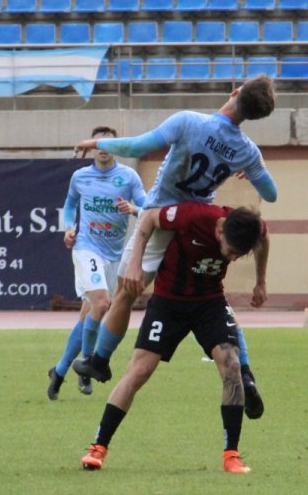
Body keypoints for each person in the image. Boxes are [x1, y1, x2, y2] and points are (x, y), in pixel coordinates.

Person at [72, 75, 278, 419]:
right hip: (202, 225)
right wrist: (249, 170)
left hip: (164, 217)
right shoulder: (247, 150)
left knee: (125, 292)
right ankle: (246, 372)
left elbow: (137, 148)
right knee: (214, 301)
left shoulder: (189, 121)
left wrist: (98, 144)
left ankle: (100, 361)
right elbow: (270, 194)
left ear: (235, 91)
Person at [80, 202, 269, 474]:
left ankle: (232, 456)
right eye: (231, 252)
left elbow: (265, 237)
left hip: (209, 302)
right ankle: (98, 448)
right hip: (169, 302)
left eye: (240, 255)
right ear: (219, 231)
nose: (234, 258)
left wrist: (260, 281)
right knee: (139, 371)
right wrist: (135, 265)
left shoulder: (250, 227)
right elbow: (148, 218)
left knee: (231, 366)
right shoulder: (193, 216)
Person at [48, 126, 146, 401]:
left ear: (116, 148)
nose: (103, 148)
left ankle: (60, 370)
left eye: (109, 144)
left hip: (114, 253)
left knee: (89, 314)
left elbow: (148, 207)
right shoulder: (80, 177)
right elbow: (69, 206)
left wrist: (133, 209)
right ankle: (88, 363)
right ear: (93, 148)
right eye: (99, 144)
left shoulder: (128, 177)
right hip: (86, 247)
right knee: (102, 304)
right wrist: (69, 228)